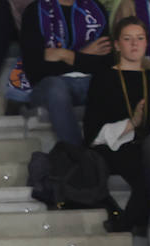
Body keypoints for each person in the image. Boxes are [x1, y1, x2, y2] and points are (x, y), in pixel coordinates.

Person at [18, 0, 109, 148]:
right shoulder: (36, 11)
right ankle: (79, 155)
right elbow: (34, 69)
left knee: (110, 83)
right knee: (56, 87)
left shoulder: (96, 10)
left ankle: (103, 153)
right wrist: (84, 56)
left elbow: (105, 64)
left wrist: (64, 55)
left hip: (90, 82)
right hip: (48, 86)